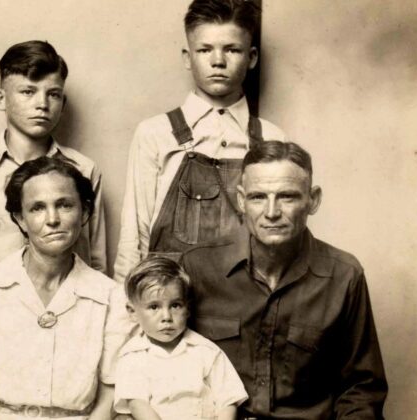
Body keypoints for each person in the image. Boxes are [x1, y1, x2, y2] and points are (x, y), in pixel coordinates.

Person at [181, 141, 388, 418]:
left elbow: (361, 389)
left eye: (287, 197)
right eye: (257, 197)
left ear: (312, 200)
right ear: (241, 201)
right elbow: (163, 361)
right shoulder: (197, 267)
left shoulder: (344, 275)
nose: (271, 212)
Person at [0, 157, 127, 420]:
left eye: (64, 205)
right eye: (38, 208)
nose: (52, 219)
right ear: (20, 218)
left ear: (84, 212)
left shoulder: (113, 299)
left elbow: (111, 392)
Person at [114, 0, 287, 281]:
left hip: (246, 301)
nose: (218, 61)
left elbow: (281, 240)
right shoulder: (155, 133)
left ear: (252, 57)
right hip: (170, 305)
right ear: (187, 57)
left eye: (232, 49)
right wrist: (128, 307)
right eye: (205, 49)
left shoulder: (272, 138)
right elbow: (135, 235)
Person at [0, 40, 107, 273]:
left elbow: (96, 261)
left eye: (53, 94)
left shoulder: (84, 169)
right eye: (28, 92)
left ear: (63, 103)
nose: (42, 104)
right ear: (1, 99)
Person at [114, 256, 247, 420]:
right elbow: (138, 405)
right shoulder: (132, 356)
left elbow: (228, 400)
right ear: (132, 311)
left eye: (175, 305)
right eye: (154, 307)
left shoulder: (206, 351)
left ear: (188, 308)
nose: (167, 317)